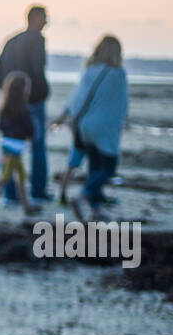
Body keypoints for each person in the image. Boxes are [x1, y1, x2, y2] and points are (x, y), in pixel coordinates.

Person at [53, 35, 128, 221]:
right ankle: (84, 194)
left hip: (83, 127)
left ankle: (96, 210)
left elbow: (76, 99)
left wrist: (63, 117)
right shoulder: (118, 74)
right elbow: (122, 103)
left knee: (94, 167)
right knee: (108, 167)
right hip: (104, 128)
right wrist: (122, 122)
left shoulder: (89, 72)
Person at [0, 5, 50, 202]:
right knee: (38, 145)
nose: (46, 22)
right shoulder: (36, 39)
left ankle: (9, 194)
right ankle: (38, 191)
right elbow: (37, 69)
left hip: (10, 104)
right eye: (44, 18)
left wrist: (8, 93)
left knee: (9, 146)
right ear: (34, 18)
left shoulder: (11, 41)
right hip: (32, 102)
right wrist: (41, 93)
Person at [0, 71, 41, 217]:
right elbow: (29, 129)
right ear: (23, 90)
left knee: (20, 175)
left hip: (7, 144)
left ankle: (27, 206)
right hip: (15, 146)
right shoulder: (23, 110)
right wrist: (31, 135)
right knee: (6, 176)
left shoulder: (4, 108)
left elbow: (1, 126)